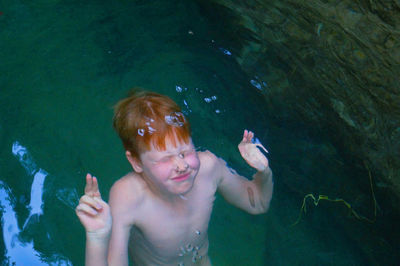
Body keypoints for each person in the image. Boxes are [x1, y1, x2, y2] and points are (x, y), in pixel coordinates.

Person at [75, 90, 274, 266]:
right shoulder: (128, 197)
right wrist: (97, 238)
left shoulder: (209, 168)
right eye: (164, 160)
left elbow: (257, 204)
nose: (181, 166)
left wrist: (263, 172)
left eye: (185, 152)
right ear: (136, 162)